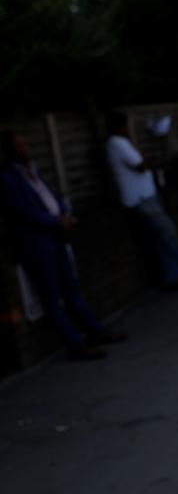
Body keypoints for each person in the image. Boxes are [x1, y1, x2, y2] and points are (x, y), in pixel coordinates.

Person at [0, 131, 126, 360]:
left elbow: (49, 198)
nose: (25, 150)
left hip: (55, 237)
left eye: (25, 145)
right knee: (52, 296)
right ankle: (75, 344)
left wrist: (63, 214)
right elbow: (21, 212)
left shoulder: (32, 173)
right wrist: (54, 220)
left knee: (72, 288)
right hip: (37, 243)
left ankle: (94, 331)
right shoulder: (8, 179)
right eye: (19, 147)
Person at [105, 111, 178, 287]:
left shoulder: (115, 144)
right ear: (120, 127)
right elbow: (140, 164)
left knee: (160, 236)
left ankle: (172, 275)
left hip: (141, 197)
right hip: (141, 197)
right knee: (168, 233)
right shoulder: (119, 143)